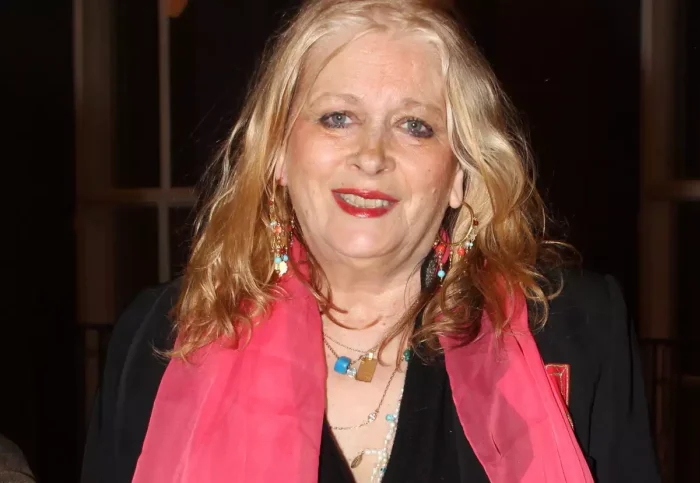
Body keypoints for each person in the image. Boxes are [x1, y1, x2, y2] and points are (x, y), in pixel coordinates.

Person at [81, 0, 660, 481]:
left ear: (459, 174)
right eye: (337, 117)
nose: (371, 155)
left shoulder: (574, 329)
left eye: (415, 126)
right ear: (278, 152)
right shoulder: (161, 338)